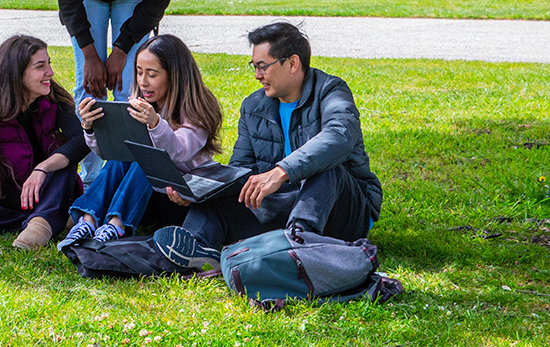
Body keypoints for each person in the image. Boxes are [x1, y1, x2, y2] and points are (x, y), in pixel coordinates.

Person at [153, 22, 383, 270]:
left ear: (293, 63)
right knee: (223, 199)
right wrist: (200, 193)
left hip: (342, 208)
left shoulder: (331, 91)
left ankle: (296, 245)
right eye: (254, 67)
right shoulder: (253, 106)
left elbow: (339, 137)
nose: (257, 75)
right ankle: (195, 248)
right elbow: (241, 170)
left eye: (263, 67)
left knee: (327, 167)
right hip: (284, 205)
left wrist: (282, 171)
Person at [56, 0, 180, 183]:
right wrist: (90, 55)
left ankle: (126, 174)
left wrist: (121, 51)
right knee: (88, 88)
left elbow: (157, 1)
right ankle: (90, 180)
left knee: (131, 89)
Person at [58, 34, 222, 248]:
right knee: (125, 153)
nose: (143, 82)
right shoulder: (139, 104)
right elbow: (109, 153)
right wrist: (91, 128)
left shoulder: (196, 111)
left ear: (176, 76)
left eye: (152, 74)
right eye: (139, 72)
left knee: (145, 157)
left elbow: (179, 151)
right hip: (144, 198)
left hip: (181, 200)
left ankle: (117, 225)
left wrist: (155, 124)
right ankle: (88, 220)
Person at [0, 35, 89, 249]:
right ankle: (46, 219)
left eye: (49, 64)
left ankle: (41, 224)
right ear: (16, 73)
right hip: (4, 199)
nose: (49, 72)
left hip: (51, 189)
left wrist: (42, 169)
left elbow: (81, 140)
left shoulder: (55, 99)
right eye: (40, 66)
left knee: (63, 166)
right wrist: (24, 201)